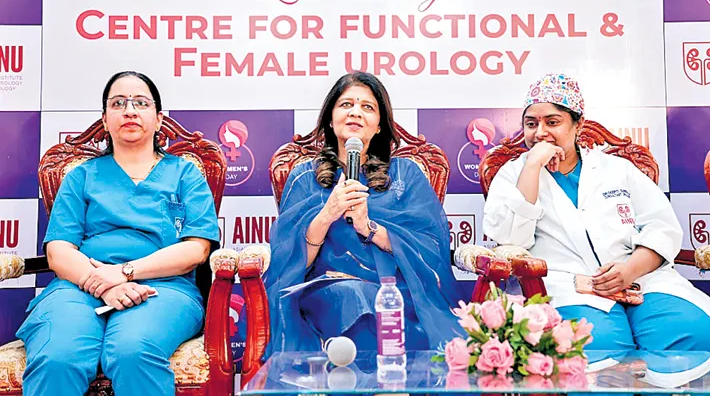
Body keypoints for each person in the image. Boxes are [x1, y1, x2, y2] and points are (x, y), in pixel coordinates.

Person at [17, 71, 220, 396]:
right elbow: (58, 251)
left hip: (163, 289)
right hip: (78, 287)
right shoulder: (81, 176)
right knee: (58, 356)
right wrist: (105, 284)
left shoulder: (185, 175)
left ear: (159, 119)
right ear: (105, 120)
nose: (129, 110)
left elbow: (196, 249)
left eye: (141, 103)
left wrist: (124, 272)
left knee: (132, 351)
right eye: (118, 103)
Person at [483, 72, 710, 351]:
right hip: (568, 287)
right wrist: (531, 167)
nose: (540, 132)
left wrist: (630, 270)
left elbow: (661, 227)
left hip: (642, 280)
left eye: (552, 122)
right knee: (596, 345)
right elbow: (511, 242)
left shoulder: (617, 169)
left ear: (578, 124)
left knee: (693, 333)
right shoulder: (512, 174)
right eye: (531, 124)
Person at [264, 71, 463, 356]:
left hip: (400, 289)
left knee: (388, 303)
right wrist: (327, 214)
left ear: (379, 126)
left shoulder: (406, 175)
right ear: (330, 119)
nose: (355, 112)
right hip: (329, 291)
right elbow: (288, 264)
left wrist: (368, 227)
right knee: (352, 296)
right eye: (346, 104)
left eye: (367, 107)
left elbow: (431, 248)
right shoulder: (304, 177)